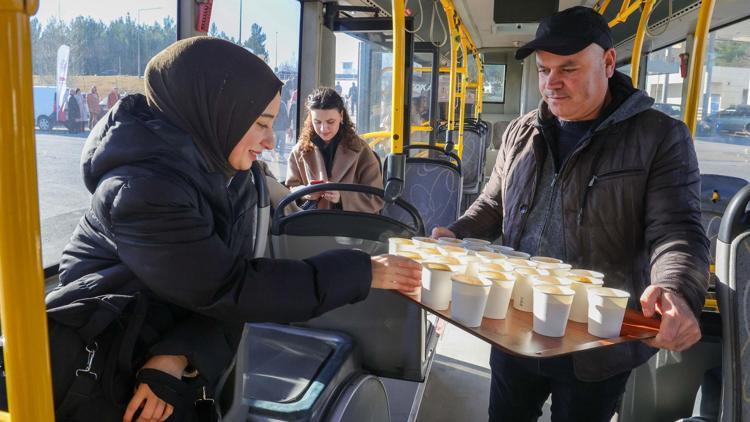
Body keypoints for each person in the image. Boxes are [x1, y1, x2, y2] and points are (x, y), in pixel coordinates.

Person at [43, 37, 421, 422]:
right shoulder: (142, 192)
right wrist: (363, 271)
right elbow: (232, 287)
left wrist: (181, 351)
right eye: (260, 124)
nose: (271, 139)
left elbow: (224, 287)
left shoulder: (232, 177)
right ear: (218, 114)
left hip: (162, 349)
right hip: (101, 365)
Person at [431, 7, 709, 422]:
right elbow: (493, 204)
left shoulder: (659, 138)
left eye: (568, 69)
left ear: (609, 63)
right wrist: (455, 234)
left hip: (594, 343)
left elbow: (677, 230)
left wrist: (674, 288)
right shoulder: (521, 132)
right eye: (544, 71)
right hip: (515, 327)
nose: (551, 84)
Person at [286, 87, 384, 214]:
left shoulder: (361, 150)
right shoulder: (299, 151)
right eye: (317, 122)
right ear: (311, 119)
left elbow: (376, 199)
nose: (323, 129)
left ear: (341, 116)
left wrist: (342, 197)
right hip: (310, 225)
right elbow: (288, 190)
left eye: (330, 122)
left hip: (350, 226)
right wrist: (306, 193)